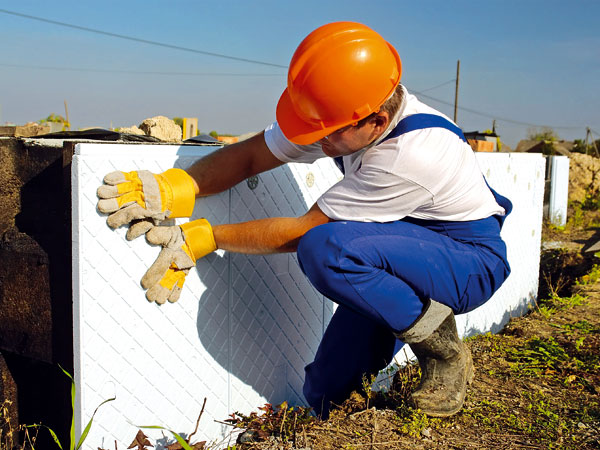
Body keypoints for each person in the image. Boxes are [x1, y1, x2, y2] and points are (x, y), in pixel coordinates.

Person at [97, 21, 511, 419]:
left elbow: (307, 232)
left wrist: (205, 237)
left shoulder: (410, 154)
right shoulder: (347, 117)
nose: (316, 141)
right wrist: (177, 186)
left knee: (325, 248)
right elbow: (251, 155)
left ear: (377, 122)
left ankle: (445, 354)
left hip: (466, 258)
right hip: (393, 247)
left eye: (327, 134)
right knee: (326, 391)